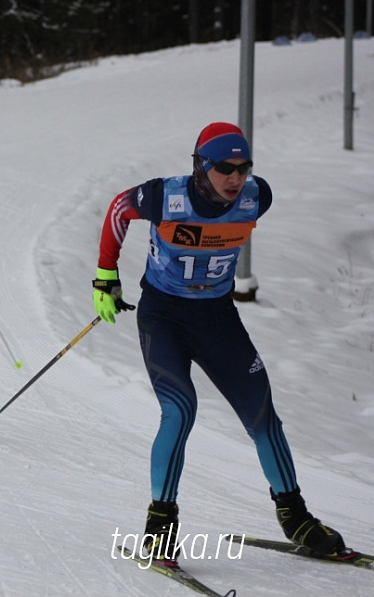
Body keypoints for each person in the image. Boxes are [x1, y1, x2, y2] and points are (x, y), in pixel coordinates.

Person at [92, 122, 346, 564]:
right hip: (164, 316)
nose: (235, 179)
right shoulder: (164, 196)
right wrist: (106, 276)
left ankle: (296, 517)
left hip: (217, 317)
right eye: (224, 168)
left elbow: (248, 192)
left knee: (263, 413)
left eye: (243, 168)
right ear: (200, 166)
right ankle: (160, 525)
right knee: (181, 408)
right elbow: (118, 209)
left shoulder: (256, 197)